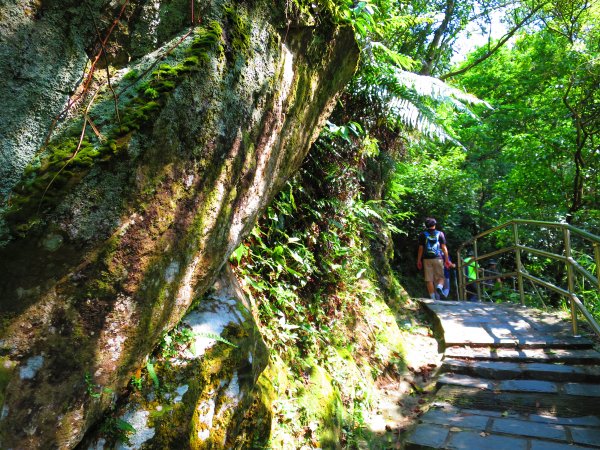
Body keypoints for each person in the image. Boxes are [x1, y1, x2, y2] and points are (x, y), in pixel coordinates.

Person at [417, 218, 451, 299]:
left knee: (429, 279)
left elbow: (421, 248)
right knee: (441, 277)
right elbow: (444, 248)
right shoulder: (440, 234)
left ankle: (433, 298)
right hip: (438, 258)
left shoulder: (423, 234)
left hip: (426, 259)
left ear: (426, 225)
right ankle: (439, 286)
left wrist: (418, 260)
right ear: (435, 225)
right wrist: (447, 259)